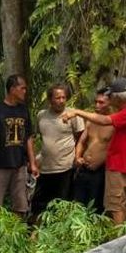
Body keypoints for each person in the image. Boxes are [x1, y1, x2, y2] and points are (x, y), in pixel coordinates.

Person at [63, 78, 126, 224]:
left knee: (115, 205)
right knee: (117, 204)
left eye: (111, 96)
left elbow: (105, 121)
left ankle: (118, 240)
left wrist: (77, 112)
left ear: (118, 97)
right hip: (113, 166)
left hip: (119, 165)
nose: (109, 99)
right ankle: (119, 236)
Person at [0, 75, 38, 214]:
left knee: (21, 205)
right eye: (22, 88)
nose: (25, 91)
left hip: (19, 165)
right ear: (12, 89)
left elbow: (29, 138)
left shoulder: (23, 110)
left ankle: (17, 232)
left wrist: (32, 163)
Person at [31, 83, 85, 215]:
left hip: (65, 167)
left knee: (62, 204)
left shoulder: (73, 115)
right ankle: (36, 232)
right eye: (57, 98)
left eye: (63, 98)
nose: (61, 101)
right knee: (39, 204)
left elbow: (81, 139)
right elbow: (37, 138)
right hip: (45, 168)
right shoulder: (41, 115)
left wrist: (77, 157)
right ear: (50, 100)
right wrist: (34, 162)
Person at [71, 89, 113, 212]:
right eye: (96, 102)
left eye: (101, 103)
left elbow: (114, 149)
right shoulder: (91, 121)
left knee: (95, 208)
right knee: (77, 205)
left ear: (110, 103)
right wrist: (77, 157)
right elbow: (81, 142)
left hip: (100, 172)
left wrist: (100, 162)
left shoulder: (114, 124)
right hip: (83, 169)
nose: (97, 106)